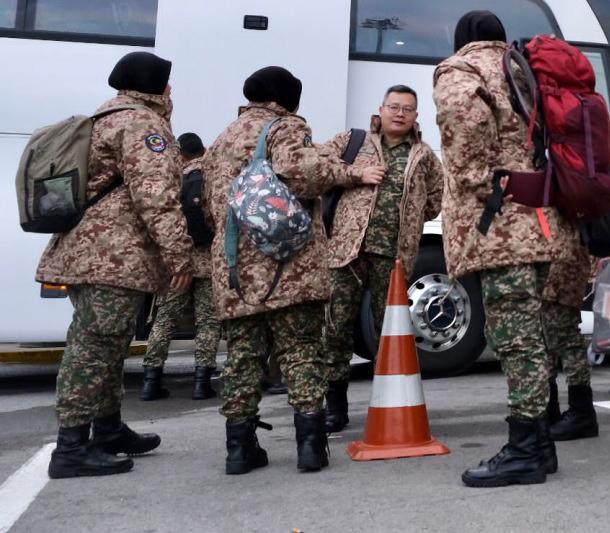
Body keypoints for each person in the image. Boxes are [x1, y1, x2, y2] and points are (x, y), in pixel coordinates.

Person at [205, 66, 383, 475]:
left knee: (243, 357)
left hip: (234, 268)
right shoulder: (284, 128)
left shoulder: (222, 139)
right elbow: (307, 173)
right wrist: (346, 172)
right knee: (302, 350)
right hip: (287, 267)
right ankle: (310, 446)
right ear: (291, 99)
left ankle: (239, 448)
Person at [35, 51, 194, 479]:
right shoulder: (142, 123)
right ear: (153, 86)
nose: (172, 90)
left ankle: (106, 430)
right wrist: (178, 254)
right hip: (112, 256)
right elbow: (157, 195)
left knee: (108, 345)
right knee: (93, 350)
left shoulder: (103, 118)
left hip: (92, 252)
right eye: (168, 83)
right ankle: (70, 448)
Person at [433, 11, 571, 488]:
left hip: (501, 222)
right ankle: (541, 445)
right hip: (536, 221)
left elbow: (464, 138)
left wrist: (476, 182)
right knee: (529, 335)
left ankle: (525, 449)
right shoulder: (522, 69)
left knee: (517, 341)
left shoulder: (461, 69)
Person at [319, 84, 444, 434]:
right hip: (347, 251)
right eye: (394, 106)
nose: (400, 113)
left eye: (407, 108)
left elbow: (436, 198)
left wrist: (410, 218)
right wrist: (356, 174)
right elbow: (316, 169)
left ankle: (388, 402)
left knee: (389, 333)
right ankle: (335, 404)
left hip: (394, 258)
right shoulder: (352, 142)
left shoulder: (424, 156)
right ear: (381, 109)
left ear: (416, 116)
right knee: (335, 327)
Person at [141, 132, 220, 401]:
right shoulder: (212, 177)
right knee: (208, 321)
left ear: (181, 154)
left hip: (176, 262)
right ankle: (201, 383)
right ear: (202, 149)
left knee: (165, 319)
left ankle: (150, 382)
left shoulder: (174, 180)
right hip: (208, 259)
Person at [542, 229, 598, 441]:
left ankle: (581, 412)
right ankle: (552, 410)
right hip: (558, 251)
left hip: (562, 254)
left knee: (562, 332)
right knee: (551, 332)